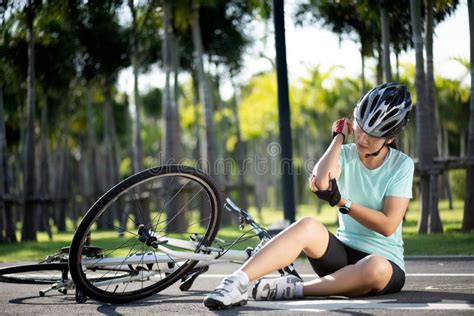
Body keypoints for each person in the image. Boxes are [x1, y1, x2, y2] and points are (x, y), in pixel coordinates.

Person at [203, 82, 414, 310]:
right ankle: (236, 282)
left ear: (390, 138)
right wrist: (339, 138)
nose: (362, 139)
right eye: (361, 128)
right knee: (307, 225)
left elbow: (388, 225)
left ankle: (296, 289)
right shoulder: (344, 153)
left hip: (384, 265)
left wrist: (344, 203)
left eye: (372, 136)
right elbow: (321, 183)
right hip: (340, 255)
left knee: (375, 267)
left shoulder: (401, 165)